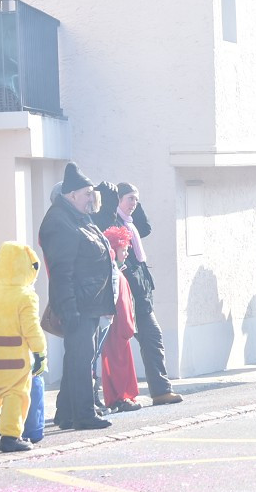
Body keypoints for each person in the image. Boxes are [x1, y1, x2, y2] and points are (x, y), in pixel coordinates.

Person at [38, 162, 115, 430]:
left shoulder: (79, 216)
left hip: (89, 303)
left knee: (78, 359)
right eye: (87, 194)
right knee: (81, 360)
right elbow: (62, 270)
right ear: (71, 195)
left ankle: (66, 414)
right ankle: (83, 415)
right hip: (79, 304)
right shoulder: (60, 220)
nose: (91, 199)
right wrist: (70, 309)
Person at [112, 183, 183, 406]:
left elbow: (146, 227)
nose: (134, 204)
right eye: (130, 199)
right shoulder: (113, 223)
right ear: (118, 200)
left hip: (141, 293)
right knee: (136, 341)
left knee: (152, 337)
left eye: (137, 199)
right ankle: (120, 396)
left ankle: (161, 391)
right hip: (127, 292)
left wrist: (135, 204)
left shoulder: (131, 223)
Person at [0, 242, 47, 452]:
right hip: (15, 360)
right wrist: (40, 352)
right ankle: (10, 436)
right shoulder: (26, 296)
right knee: (15, 395)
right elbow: (32, 328)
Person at [99, 226, 141, 412]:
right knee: (119, 364)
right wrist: (128, 327)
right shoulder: (115, 273)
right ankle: (121, 397)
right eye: (123, 249)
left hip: (117, 327)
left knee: (116, 362)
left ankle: (118, 397)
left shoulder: (115, 271)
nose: (125, 253)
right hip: (118, 328)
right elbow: (121, 303)